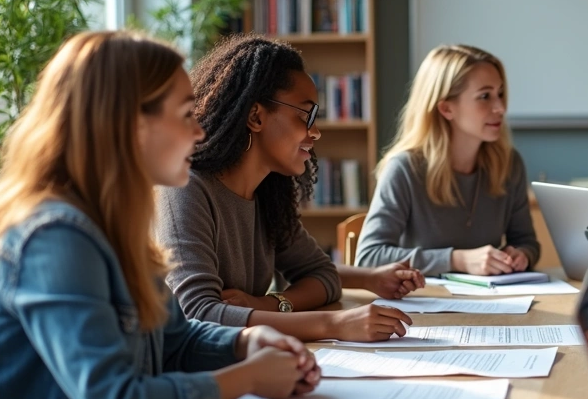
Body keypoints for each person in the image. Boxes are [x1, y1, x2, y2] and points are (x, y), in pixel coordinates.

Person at [0, 32, 319, 399]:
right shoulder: (55, 238)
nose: (201, 132)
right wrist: (247, 378)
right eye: (187, 115)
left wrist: (243, 344)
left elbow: (174, 341)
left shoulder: (116, 228)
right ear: (128, 125)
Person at [156, 35, 423, 342]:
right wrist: (333, 325)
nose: (316, 132)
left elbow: (323, 275)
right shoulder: (185, 188)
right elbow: (198, 314)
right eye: (305, 115)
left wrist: (269, 304)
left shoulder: (267, 192)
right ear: (256, 116)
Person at [355, 44, 540, 276]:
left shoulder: (509, 164)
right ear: (446, 108)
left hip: (496, 303)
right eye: (485, 96)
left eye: (500, 93)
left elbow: (527, 242)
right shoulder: (404, 168)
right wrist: (456, 260)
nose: (500, 107)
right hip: (422, 306)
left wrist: (521, 255)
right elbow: (368, 258)